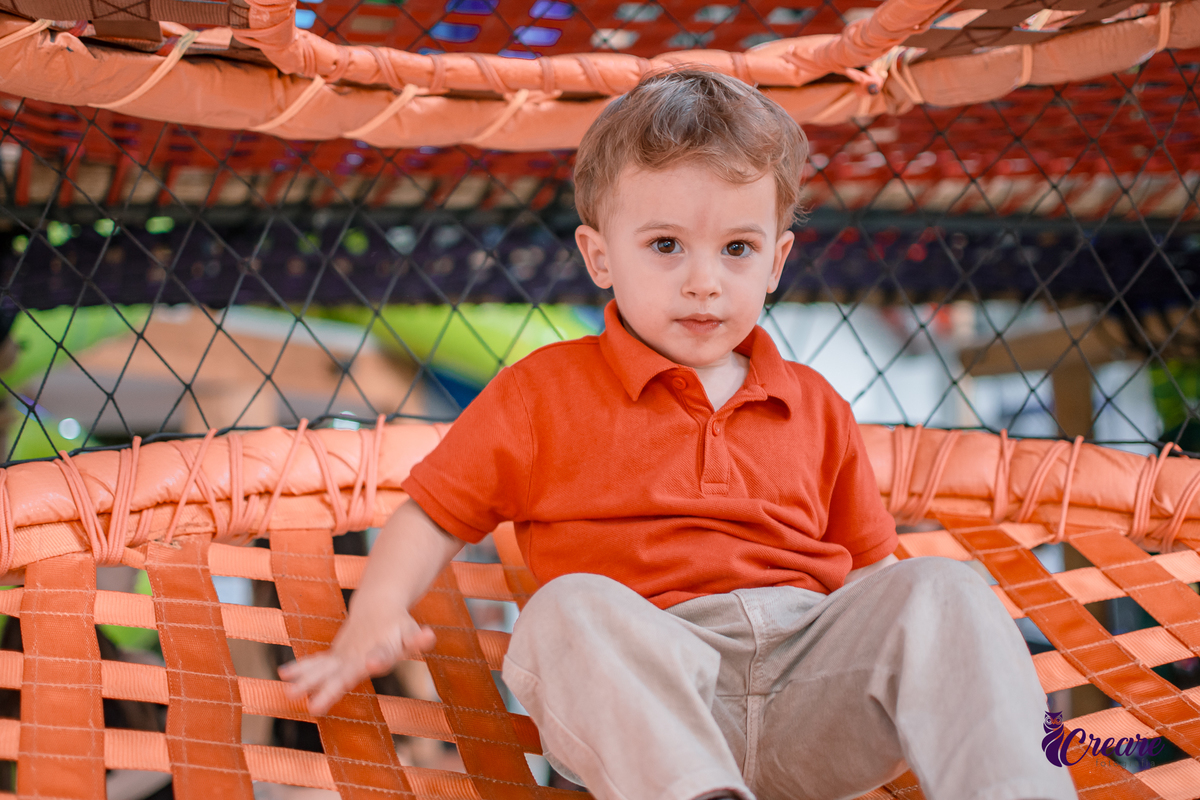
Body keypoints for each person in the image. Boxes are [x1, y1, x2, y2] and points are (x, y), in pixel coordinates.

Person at [279, 68, 1079, 800]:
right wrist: (373, 615)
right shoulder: (544, 392)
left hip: (814, 692)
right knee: (565, 609)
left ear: (776, 261)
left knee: (944, 587)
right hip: (653, 704)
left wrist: (914, 629)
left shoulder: (816, 404)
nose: (704, 280)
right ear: (600, 256)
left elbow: (873, 581)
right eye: (666, 246)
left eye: (737, 249)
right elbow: (433, 512)